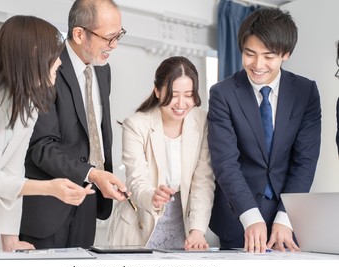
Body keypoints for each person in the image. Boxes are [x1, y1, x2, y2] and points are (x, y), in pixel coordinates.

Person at [0, 15, 94, 260]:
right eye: (54, 54)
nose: (59, 61)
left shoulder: (28, 107)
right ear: (34, 54)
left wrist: (10, 240)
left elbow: (13, 171)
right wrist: (49, 188)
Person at [208, 8, 321, 253]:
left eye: (269, 56)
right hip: (237, 218)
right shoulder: (222, 94)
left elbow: (305, 161)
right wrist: (250, 216)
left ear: (286, 54)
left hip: (287, 221)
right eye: (250, 54)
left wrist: (285, 217)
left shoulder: (306, 93)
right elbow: (225, 162)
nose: (258, 65)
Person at [20, 0, 128, 249]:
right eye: (109, 38)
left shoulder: (103, 71)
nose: (114, 46)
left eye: (118, 36)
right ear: (79, 34)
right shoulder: (47, 66)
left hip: (89, 199)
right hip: (47, 207)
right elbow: (41, 146)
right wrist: (91, 173)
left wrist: (97, 177)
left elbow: (96, 132)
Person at [107, 56, 216, 250]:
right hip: (140, 222)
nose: (181, 103)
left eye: (189, 95)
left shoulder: (202, 121)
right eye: (173, 95)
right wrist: (152, 196)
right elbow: (136, 180)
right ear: (157, 91)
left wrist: (197, 230)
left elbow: (203, 181)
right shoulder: (136, 124)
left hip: (183, 221)